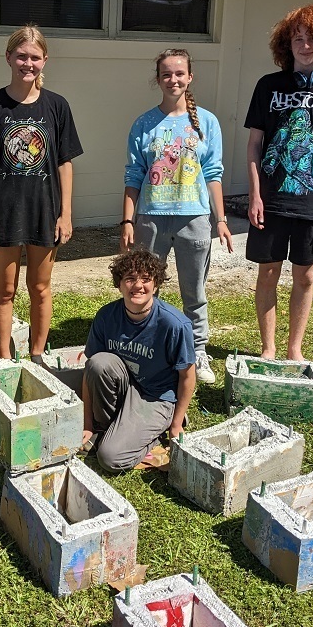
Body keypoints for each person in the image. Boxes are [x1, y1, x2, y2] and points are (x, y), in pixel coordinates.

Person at [0, 25, 83, 360]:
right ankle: (3, 358)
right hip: (3, 214)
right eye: (21, 56)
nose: (27, 63)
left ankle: (37, 355)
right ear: (8, 57)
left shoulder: (57, 106)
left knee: (40, 288)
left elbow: (64, 163)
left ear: (45, 60)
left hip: (45, 211)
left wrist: (66, 213)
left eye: (34, 57)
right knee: (5, 290)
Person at [245, 4, 313, 360]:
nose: (305, 46)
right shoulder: (268, 85)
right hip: (271, 200)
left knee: (305, 277)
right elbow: (254, 145)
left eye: (312, 39)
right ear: (286, 43)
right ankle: (268, 349)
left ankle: (294, 350)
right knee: (268, 273)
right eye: (298, 38)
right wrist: (254, 194)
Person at [121, 48, 233, 385]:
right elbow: (133, 175)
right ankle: (146, 346)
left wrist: (221, 220)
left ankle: (197, 350)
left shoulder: (208, 123)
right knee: (144, 287)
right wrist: (127, 221)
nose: (173, 80)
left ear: (190, 77)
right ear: (158, 79)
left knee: (193, 291)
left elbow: (213, 173)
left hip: (194, 219)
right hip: (151, 219)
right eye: (167, 74)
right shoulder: (143, 124)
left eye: (179, 73)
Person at [82, 249, 196, 473]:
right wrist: (87, 425)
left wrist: (176, 423)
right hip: (125, 386)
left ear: (156, 284)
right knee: (99, 363)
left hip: (156, 397)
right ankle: (107, 429)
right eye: (130, 279)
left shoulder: (174, 325)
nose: (138, 286)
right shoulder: (106, 316)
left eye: (146, 279)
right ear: (119, 284)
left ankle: (150, 435)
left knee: (109, 458)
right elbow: (90, 371)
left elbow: (187, 376)